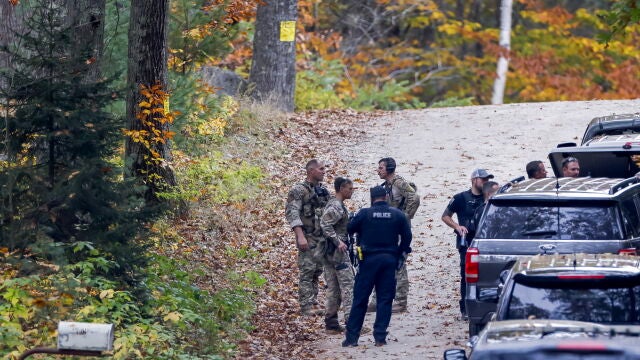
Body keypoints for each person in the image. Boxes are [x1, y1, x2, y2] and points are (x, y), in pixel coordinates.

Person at [342, 186, 412, 347]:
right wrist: (401, 253)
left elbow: (349, 229)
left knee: (360, 299)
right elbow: (407, 237)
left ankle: (352, 338)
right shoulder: (398, 215)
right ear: (386, 197)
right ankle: (380, 337)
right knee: (385, 299)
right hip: (389, 260)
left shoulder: (364, 214)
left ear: (372, 198)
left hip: (368, 261)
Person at [369, 157, 420, 313]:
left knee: (398, 264)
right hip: (387, 230)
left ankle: (400, 301)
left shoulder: (398, 183)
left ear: (389, 169)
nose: (378, 170)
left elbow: (414, 197)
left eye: (381, 168)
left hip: (397, 231)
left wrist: (404, 218)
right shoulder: (386, 186)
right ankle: (377, 301)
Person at [441, 168, 494, 319]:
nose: (485, 182)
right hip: (467, 242)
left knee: (486, 275)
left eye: (487, 180)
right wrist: (457, 227)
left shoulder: (490, 197)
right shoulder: (460, 198)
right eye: (483, 179)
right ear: (473, 180)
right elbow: (445, 216)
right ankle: (465, 309)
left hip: (485, 241)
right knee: (466, 276)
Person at [285, 159, 332, 316]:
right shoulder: (298, 191)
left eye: (324, 168)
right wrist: (300, 236)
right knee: (307, 270)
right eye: (321, 169)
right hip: (307, 236)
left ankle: (313, 301)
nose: (324, 171)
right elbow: (292, 213)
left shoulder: (322, 191)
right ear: (311, 171)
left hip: (321, 238)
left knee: (317, 270)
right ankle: (306, 305)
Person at [320, 177, 355, 334]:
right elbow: (325, 223)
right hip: (338, 252)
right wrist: (338, 241)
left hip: (328, 253)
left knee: (333, 287)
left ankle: (331, 323)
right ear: (341, 188)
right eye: (349, 188)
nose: (351, 191)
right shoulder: (337, 207)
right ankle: (352, 323)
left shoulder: (336, 204)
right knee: (348, 286)